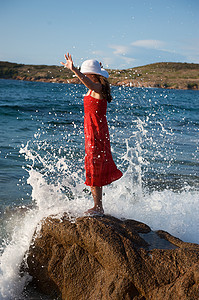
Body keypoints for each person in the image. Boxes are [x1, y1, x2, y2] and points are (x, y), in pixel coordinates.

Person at [61, 53, 123, 216]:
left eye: (86, 72)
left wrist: (74, 69)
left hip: (96, 131)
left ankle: (98, 207)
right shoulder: (94, 87)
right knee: (92, 164)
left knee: (94, 165)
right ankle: (97, 205)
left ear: (91, 75)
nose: (84, 75)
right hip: (92, 130)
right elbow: (88, 83)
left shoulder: (98, 88)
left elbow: (87, 82)